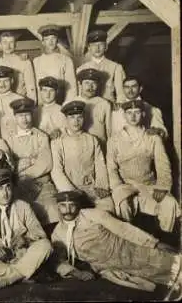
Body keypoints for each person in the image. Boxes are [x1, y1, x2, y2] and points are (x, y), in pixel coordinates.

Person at [51, 191, 181, 299]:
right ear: (58, 207)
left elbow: (124, 229)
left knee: (174, 264)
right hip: (109, 267)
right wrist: (76, 273)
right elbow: (57, 260)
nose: (68, 210)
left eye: (72, 205)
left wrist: (155, 243)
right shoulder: (57, 233)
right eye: (63, 205)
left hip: (128, 250)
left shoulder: (93, 214)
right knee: (161, 279)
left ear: (78, 205)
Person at [0, 168, 53, 290]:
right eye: (0, 189)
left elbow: (40, 235)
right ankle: (23, 275)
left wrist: (26, 239)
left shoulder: (23, 206)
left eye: (8, 187)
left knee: (45, 245)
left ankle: (7, 279)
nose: (5, 193)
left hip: (21, 256)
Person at [107, 100, 180, 233]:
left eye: (137, 112)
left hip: (148, 185)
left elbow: (163, 165)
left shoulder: (153, 138)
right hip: (125, 185)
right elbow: (111, 168)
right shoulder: (114, 140)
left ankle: (165, 240)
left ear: (144, 114)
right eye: (129, 113)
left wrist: (162, 187)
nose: (133, 116)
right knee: (122, 203)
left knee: (169, 204)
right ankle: (129, 240)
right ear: (124, 115)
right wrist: (118, 187)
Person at [50, 101, 114, 212]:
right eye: (72, 117)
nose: (76, 121)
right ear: (66, 119)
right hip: (69, 190)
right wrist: (72, 191)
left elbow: (100, 165)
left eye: (79, 117)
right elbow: (56, 171)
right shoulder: (57, 142)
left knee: (108, 206)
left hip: (91, 188)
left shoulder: (92, 139)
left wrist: (101, 186)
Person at [7, 98, 59, 226]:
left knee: (52, 209)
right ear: (15, 117)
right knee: (18, 213)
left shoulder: (41, 136)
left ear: (32, 115)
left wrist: (22, 170)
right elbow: (8, 164)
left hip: (42, 185)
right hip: (20, 186)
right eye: (20, 116)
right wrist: (28, 161)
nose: (24, 119)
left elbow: (46, 164)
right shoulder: (9, 139)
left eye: (27, 115)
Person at [77, 29, 126, 103]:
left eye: (101, 44)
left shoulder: (116, 67)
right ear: (89, 48)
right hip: (88, 108)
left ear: (106, 47)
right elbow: (79, 94)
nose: (97, 48)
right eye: (94, 45)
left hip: (110, 107)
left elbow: (121, 94)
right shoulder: (81, 69)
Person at [33, 25, 77, 104]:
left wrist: (67, 104)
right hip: (41, 104)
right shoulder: (36, 61)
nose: (51, 42)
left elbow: (71, 86)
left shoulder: (66, 60)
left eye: (53, 38)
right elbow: (35, 86)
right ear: (43, 42)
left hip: (60, 101)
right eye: (47, 39)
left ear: (57, 41)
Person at [0, 32, 36, 102]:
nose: (8, 46)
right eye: (5, 42)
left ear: (15, 45)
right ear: (0, 45)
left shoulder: (24, 62)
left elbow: (31, 87)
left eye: (11, 42)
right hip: (0, 102)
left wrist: (32, 105)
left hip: (19, 102)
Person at [74, 68, 112, 149]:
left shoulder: (104, 104)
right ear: (80, 84)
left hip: (100, 147)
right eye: (87, 83)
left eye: (94, 83)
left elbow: (110, 131)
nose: (90, 87)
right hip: (78, 148)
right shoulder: (72, 102)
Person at [0, 66, 25, 141]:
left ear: (12, 81)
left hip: (17, 141)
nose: (2, 85)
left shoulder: (19, 100)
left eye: (6, 81)